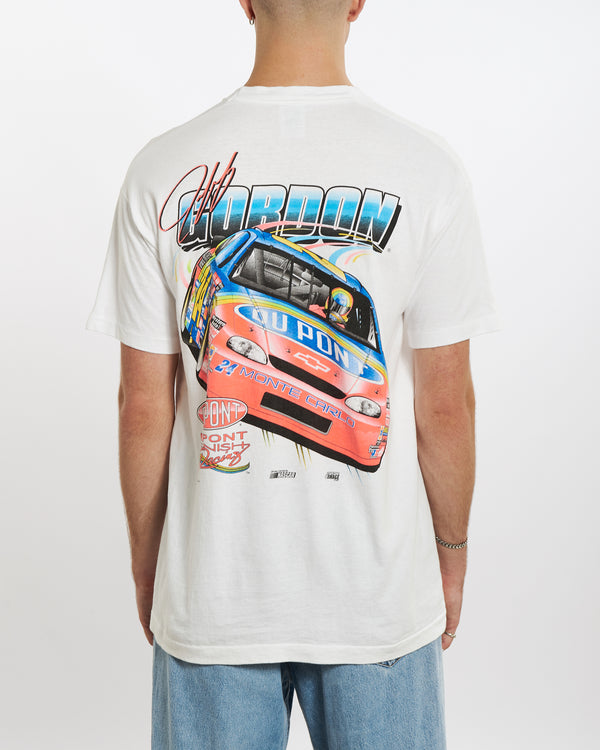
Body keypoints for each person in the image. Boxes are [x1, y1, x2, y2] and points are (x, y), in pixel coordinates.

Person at [86, 0, 500, 747]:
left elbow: (142, 404)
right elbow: (447, 407)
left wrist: (151, 566)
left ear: (246, 2)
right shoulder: (428, 169)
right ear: (358, 2)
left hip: (215, 601)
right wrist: (452, 556)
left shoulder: (160, 169)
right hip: (380, 604)